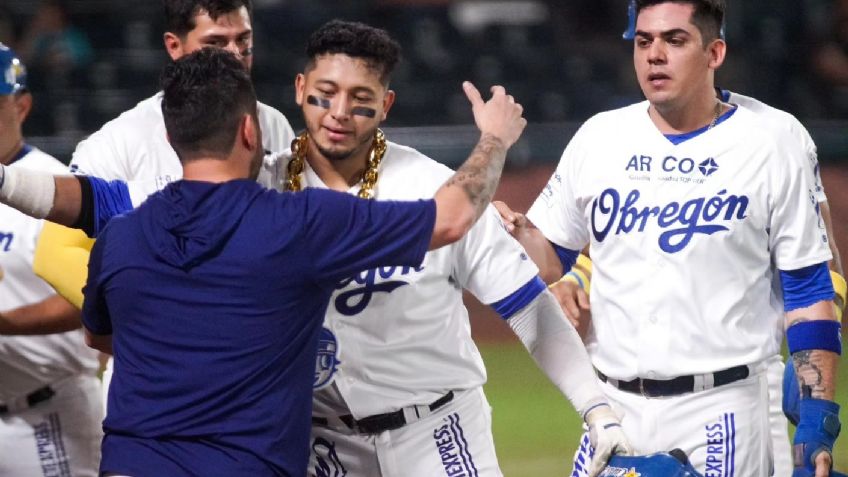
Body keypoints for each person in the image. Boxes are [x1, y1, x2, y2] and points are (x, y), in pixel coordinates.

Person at [0, 21, 633, 477]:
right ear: (300, 89)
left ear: (386, 105)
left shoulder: (428, 185)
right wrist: (9, 180)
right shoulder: (262, 187)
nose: (338, 113)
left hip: (434, 433)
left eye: (361, 101)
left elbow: (526, 304)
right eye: (325, 94)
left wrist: (595, 406)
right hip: (320, 445)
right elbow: (117, 199)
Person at [80, 46, 526, 476]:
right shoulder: (296, 222)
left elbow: (99, 335)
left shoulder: (120, 237)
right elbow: (451, 218)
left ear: (169, 137)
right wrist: (495, 138)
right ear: (250, 130)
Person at [498, 1, 840, 475]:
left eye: (674, 40)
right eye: (644, 42)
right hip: (612, 408)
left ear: (714, 52)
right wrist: (511, 235)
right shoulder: (600, 137)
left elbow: (808, 288)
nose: (654, 55)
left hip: (722, 409)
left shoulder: (774, 140)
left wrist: (816, 421)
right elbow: (548, 257)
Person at [33, 0, 296, 408]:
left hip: (255, 369)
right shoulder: (122, 138)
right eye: (215, 43)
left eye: (243, 41)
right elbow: (54, 253)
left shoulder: (273, 124)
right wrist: (150, 322)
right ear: (174, 46)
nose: (234, 56)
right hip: (157, 380)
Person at [0, 43, 102, 477]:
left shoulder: (59, 190)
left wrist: (3, 323)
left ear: (21, 106)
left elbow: (88, 299)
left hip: (46, 413)